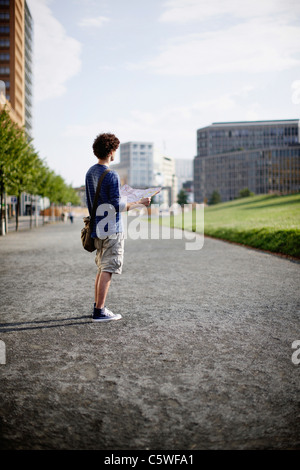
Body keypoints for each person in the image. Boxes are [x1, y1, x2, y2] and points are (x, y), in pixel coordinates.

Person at [85, 133, 151, 322]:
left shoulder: (90, 172)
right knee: (108, 268)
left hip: (97, 227)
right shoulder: (111, 174)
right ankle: (100, 311)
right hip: (112, 228)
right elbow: (115, 205)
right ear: (112, 151)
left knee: (101, 268)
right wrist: (139, 203)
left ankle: (98, 306)